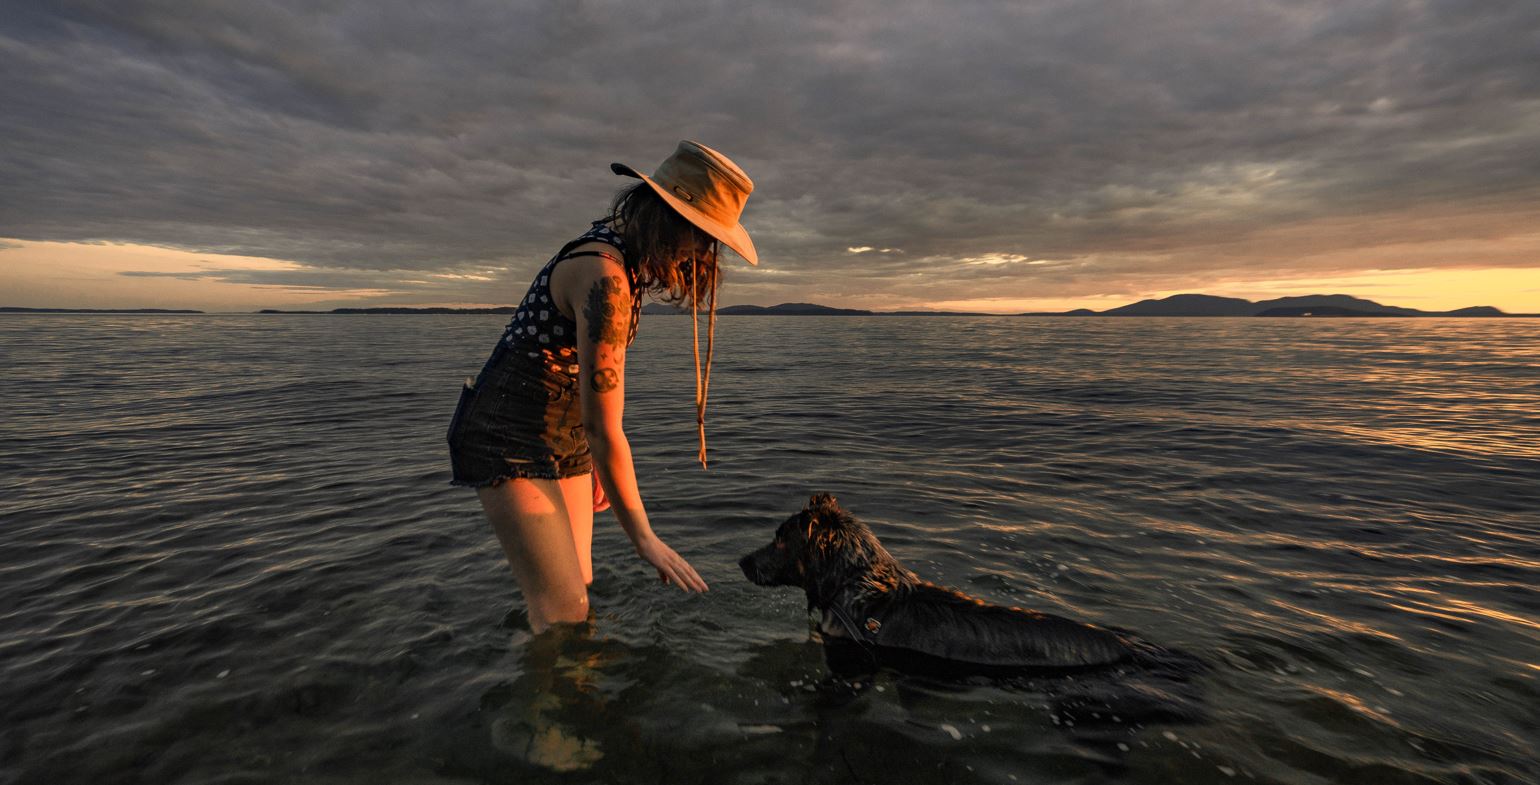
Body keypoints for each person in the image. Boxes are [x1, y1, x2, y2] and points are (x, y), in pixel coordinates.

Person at [447, 140, 759, 632]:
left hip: (562, 428)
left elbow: (588, 402)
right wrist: (645, 538)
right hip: (506, 430)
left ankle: (559, 677)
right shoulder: (604, 274)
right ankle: (548, 701)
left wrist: (586, 458)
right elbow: (605, 424)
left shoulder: (621, 257)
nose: (702, 252)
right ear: (667, 219)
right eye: (699, 235)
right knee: (564, 611)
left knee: (579, 583)